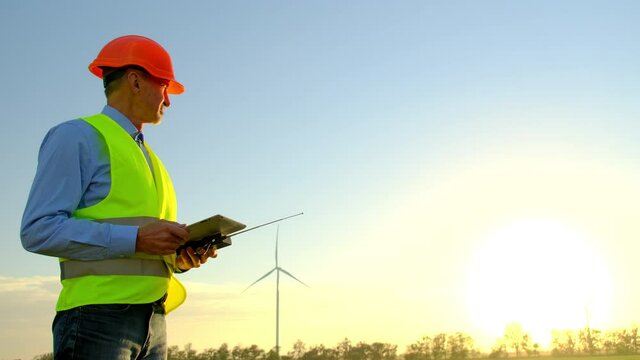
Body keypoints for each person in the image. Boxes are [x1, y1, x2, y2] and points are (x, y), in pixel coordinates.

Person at [20, 35, 215, 360]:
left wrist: (177, 257)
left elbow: (140, 242)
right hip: (97, 318)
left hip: (154, 320)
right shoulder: (77, 136)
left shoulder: (152, 161)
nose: (168, 101)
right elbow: (38, 230)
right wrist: (136, 240)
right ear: (136, 81)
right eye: (165, 86)